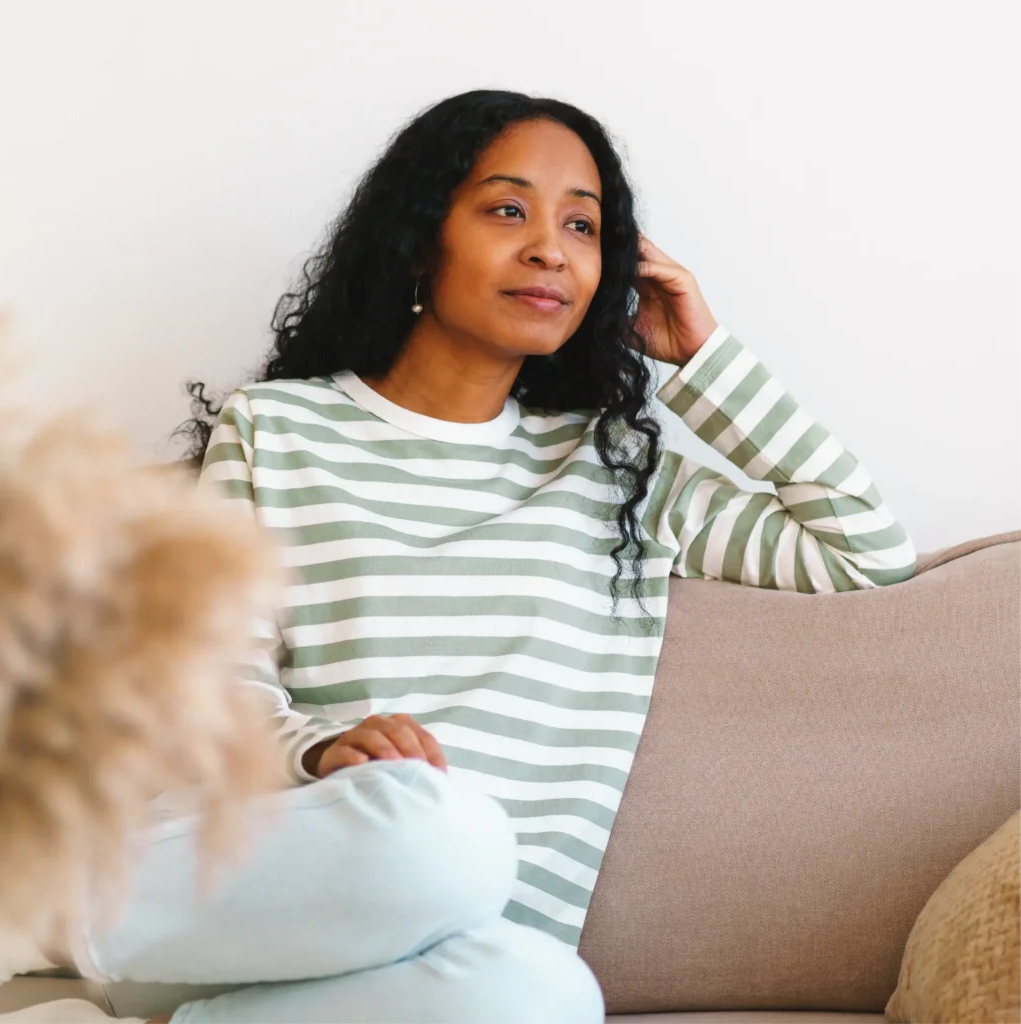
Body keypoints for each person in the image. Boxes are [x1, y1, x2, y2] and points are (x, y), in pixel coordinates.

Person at [101, 88, 915, 1024]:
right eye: (506, 210)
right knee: (437, 828)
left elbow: (862, 551)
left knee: (551, 994)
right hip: (265, 887)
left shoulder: (618, 473)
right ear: (420, 239)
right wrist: (319, 750)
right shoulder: (278, 430)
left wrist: (703, 358)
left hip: (464, 956)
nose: (549, 249)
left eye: (582, 226)